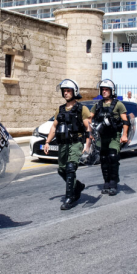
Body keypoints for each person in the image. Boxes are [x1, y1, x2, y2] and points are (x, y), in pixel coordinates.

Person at [44, 79, 90, 210]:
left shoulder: (82, 109)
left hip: (76, 143)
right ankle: (78, 186)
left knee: (70, 168)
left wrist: (87, 145)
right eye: (64, 91)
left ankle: (70, 198)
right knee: (61, 170)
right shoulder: (60, 110)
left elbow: (89, 129)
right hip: (63, 144)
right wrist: (47, 142)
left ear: (74, 92)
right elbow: (54, 127)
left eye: (68, 91)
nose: (66, 93)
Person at [88, 80, 128, 196]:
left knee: (113, 157)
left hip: (114, 136)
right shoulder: (98, 105)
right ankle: (106, 182)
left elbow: (125, 121)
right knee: (104, 159)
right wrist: (90, 132)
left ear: (112, 91)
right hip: (102, 136)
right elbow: (89, 118)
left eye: (106, 90)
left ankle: (113, 183)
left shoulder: (118, 104)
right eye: (103, 90)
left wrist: (124, 135)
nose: (104, 92)